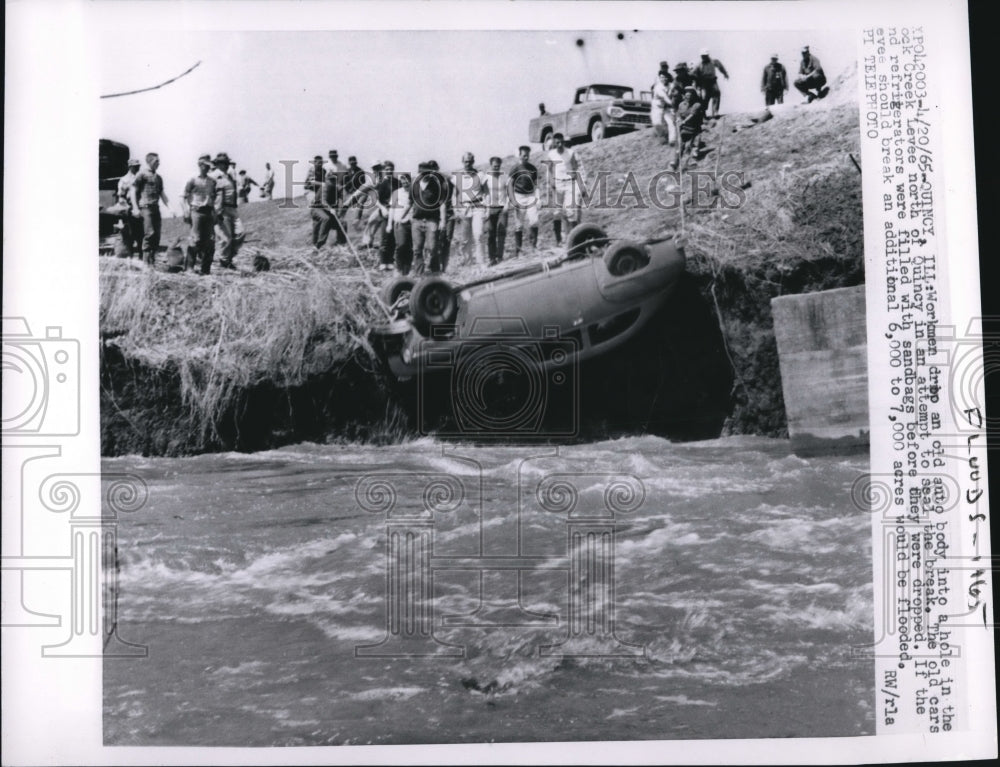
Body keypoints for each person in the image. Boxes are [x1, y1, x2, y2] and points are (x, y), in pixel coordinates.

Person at [545, 133, 585, 246]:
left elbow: (578, 168)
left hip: (569, 183)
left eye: (561, 142)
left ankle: (574, 239)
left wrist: (582, 185)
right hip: (557, 185)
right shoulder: (551, 154)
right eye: (557, 142)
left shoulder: (570, 153)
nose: (559, 144)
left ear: (563, 141)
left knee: (570, 211)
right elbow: (548, 170)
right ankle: (558, 240)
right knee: (557, 212)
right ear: (554, 143)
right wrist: (550, 183)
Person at [131, 152, 170, 266]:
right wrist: (135, 208)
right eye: (157, 161)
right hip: (145, 207)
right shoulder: (141, 174)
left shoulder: (158, 178)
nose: (159, 163)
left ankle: (152, 262)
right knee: (149, 234)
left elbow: (162, 194)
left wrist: (170, 208)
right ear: (150, 161)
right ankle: (146, 264)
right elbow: (133, 190)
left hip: (155, 208)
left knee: (156, 236)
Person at [182, 155, 217, 275]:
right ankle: (189, 268)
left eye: (209, 166)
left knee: (210, 241)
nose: (207, 168)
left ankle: (206, 270)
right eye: (206, 166)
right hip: (196, 211)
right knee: (195, 239)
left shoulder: (212, 181)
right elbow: (184, 196)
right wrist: (186, 210)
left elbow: (214, 198)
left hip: (208, 212)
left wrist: (215, 213)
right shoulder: (192, 179)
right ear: (201, 165)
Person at [411, 161, 448, 274]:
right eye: (422, 172)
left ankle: (434, 271)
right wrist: (404, 217)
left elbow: (442, 203)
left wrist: (443, 220)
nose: (424, 174)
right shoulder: (414, 184)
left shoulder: (436, 185)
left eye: (426, 172)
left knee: (432, 248)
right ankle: (419, 273)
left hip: (432, 221)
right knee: (417, 249)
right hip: (417, 221)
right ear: (419, 173)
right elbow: (409, 202)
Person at [452, 152, 488, 266]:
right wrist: (456, 209)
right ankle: (468, 261)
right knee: (465, 239)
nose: (467, 163)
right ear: (462, 162)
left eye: (470, 161)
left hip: (478, 206)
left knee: (478, 235)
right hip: (464, 208)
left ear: (473, 162)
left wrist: (487, 207)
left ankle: (481, 261)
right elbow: (454, 194)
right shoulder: (457, 177)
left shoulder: (480, 175)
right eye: (465, 161)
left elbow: (486, 192)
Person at [508, 146, 539, 257]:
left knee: (534, 221)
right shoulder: (515, 168)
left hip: (530, 195)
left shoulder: (533, 168)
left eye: (527, 155)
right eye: (523, 155)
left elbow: (536, 184)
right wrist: (513, 200)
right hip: (519, 196)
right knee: (519, 225)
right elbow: (510, 184)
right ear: (520, 155)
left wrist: (537, 198)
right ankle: (519, 250)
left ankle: (533, 246)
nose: (525, 157)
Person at [211, 152, 240, 269]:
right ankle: (224, 260)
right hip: (221, 209)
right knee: (225, 238)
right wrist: (215, 210)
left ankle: (228, 257)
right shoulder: (213, 176)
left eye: (227, 162)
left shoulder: (229, 176)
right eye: (224, 163)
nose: (227, 165)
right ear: (218, 164)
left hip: (232, 208)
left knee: (240, 234)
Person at [310, 162, 348, 251]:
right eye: (332, 176)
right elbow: (323, 201)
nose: (333, 179)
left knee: (342, 223)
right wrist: (331, 209)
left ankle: (341, 243)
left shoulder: (337, 187)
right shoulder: (326, 186)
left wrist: (339, 210)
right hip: (317, 209)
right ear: (328, 176)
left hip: (328, 210)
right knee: (326, 219)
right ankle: (319, 245)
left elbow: (340, 200)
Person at [425, 159, 454, 273]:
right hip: (434, 215)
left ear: (437, 168)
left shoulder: (446, 180)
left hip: (448, 213)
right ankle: (434, 267)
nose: (432, 171)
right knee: (434, 242)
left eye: (434, 168)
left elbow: (455, 193)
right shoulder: (427, 183)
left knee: (446, 240)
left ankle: (445, 266)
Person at [671, 87, 706, 170]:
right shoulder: (681, 104)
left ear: (693, 96)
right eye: (686, 96)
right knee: (680, 146)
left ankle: (692, 162)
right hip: (684, 129)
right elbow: (678, 113)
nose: (688, 97)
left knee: (694, 146)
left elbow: (692, 115)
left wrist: (684, 121)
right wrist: (678, 119)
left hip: (695, 128)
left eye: (690, 95)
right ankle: (675, 163)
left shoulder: (697, 104)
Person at [388, 173, 414, 274]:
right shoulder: (396, 193)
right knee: (401, 245)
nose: (405, 184)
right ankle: (398, 268)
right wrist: (389, 224)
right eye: (403, 182)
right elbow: (391, 209)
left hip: (412, 222)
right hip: (400, 223)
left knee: (410, 247)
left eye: (407, 182)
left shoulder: (414, 193)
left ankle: (407, 269)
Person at [484, 156, 509, 265]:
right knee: (491, 233)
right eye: (494, 166)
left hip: (502, 208)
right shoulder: (486, 178)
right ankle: (491, 258)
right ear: (491, 166)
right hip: (490, 208)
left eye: (498, 166)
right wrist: (486, 207)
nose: (496, 168)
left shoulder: (504, 177)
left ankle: (500, 256)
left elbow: (509, 192)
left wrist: (507, 205)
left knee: (501, 231)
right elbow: (484, 193)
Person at [116, 158, 142, 257]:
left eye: (138, 166)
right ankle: (129, 256)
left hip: (141, 208)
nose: (138, 168)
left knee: (141, 235)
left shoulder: (140, 177)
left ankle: (142, 257)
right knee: (130, 235)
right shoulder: (124, 180)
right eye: (136, 166)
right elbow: (121, 196)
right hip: (130, 210)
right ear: (130, 167)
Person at [692, 48, 729, 118]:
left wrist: (725, 74)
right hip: (704, 83)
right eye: (702, 56)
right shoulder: (699, 65)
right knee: (705, 98)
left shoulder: (713, 61)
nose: (704, 57)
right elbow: (693, 74)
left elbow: (720, 66)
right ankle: (703, 112)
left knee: (717, 93)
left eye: (705, 56)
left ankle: (715, 111)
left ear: (708, 55)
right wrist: (697, 84)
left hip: (712, 81)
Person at [650, 69, 676, 146]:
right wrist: (672, 104)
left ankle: (672, 140)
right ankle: (662, 136)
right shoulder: (658, 87)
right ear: (659, 78)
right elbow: (665, 97)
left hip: (667, 107)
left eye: (665, 77)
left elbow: (674, 93)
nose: (663, 79)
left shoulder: (671, 85)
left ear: (668, 78)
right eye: (661, 77)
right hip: (657, 107)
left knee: (671, 122)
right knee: (657, 123)